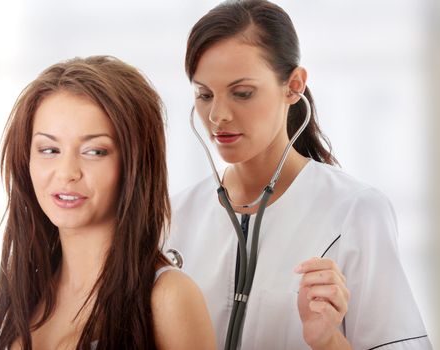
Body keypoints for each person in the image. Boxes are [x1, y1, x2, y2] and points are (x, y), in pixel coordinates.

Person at [166, 1, 432, 349]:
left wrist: (327, 341)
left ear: (293, 86)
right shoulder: (174, 217)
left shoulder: (355, 211)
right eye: (204, 95)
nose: (218, 115)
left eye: (242, 93)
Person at [0, 56, 216, 350]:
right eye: (49, 149)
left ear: (135, 165)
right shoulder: (25, 294)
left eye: (94, 152)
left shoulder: (168, 298)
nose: (67, 173)